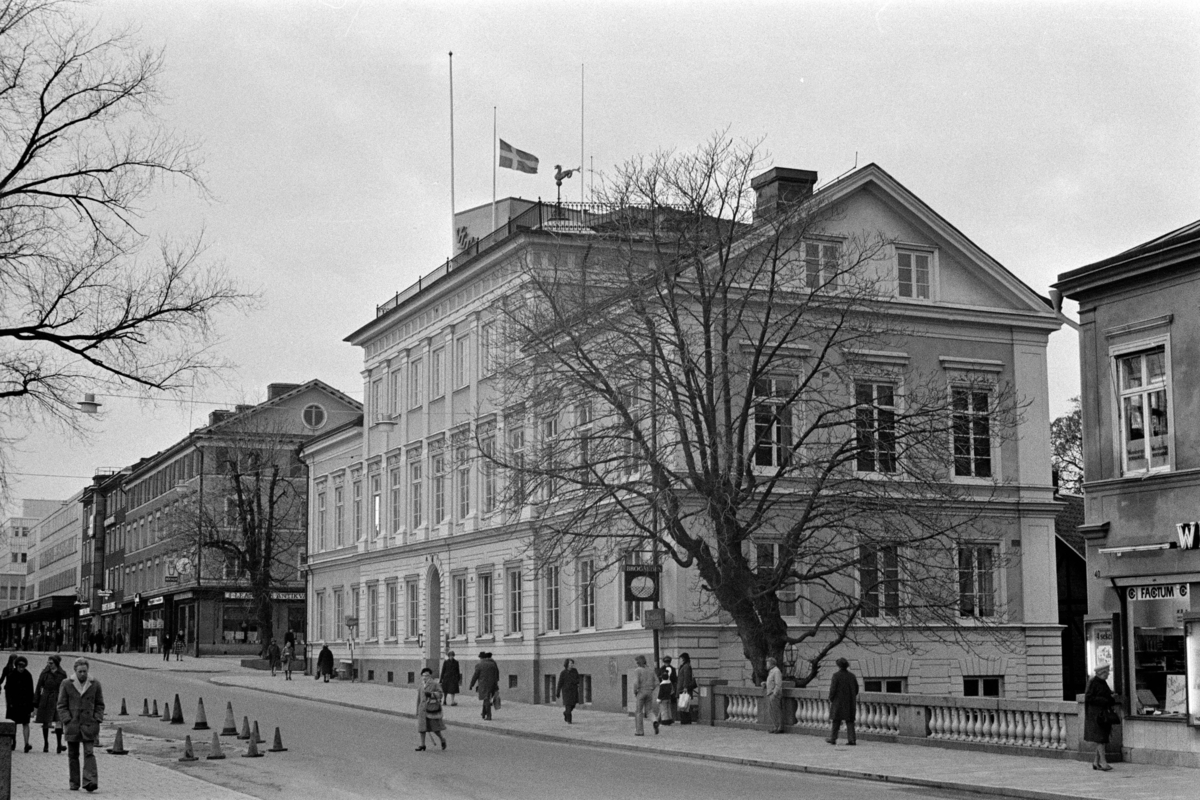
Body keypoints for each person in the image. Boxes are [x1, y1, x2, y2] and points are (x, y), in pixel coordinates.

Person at [57, 657, 104, 793]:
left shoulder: (94, 684)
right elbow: (61, 705)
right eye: (80, 671)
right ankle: (74, 782)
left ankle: (90, 781)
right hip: (73, 724)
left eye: (85, 671)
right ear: (75, 671)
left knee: (89, 752)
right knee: (73, 754)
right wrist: (67, 719)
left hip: (90, 725)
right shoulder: (66, 684)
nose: (83, 674)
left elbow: (100, 704)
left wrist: (97, 718)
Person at [1084, 664, 1118, 771]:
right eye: (1106, 672)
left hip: (1101, 714)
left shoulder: (1101, 682)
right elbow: (1089, 697)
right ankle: (1103, 763)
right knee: (1100, 739)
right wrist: (1106, 699)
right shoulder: (1094, 682)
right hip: (1097, 715)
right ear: (1101, 673)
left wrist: (1111, 697)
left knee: (1101, 738)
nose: (1108, 674)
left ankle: (1096, 762)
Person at [34, 654, 68, 753]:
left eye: (51, 663)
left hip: (58, 699)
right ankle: (46, 743)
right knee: (46, 721)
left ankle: (58, 744)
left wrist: (66, 701)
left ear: (56, 663)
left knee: (58, 721)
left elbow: (65, 688)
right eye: (48, 663)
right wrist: (36, 701)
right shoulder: (44, 673)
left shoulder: (62, 674)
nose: (49, 665)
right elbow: (38, 687)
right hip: (46, 698)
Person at [5, 655, 35, 751]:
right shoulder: (11, 675)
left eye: (23, 667)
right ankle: (13, 742)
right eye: (20, 667)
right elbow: (8, 691)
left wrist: (32, 705)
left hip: (25, 704)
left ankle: (26, 744)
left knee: (26, 723)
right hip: (13, 704)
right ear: (16, 666)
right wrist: (9, 703)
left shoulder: (28, 675)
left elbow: (31, 691)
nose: (22, 669)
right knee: (13, 724)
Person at [826, 657, 858, 745]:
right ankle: (852, 739)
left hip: (838, 701)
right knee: (850, 721)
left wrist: (831, 698)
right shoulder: (852, 676)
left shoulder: (836, 676)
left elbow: (833, 689)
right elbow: (856, 689)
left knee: (836, 721)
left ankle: (833, 738)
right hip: (849, 701)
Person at [415, 667, 447, 751]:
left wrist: (431, 694)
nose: (425, 677)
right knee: (422, 728)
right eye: (423, 675)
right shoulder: (421, 685)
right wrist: (417, 710)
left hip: (431, 709)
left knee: (434, 728)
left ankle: (442, 739)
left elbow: (440, 694)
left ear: (430, 676)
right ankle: (422, 745)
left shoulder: (435, 684)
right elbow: (419, 698)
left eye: (427, 675)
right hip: (422, 709)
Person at [632, 654, 659, 736]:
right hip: (649, 691)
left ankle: (639, 731)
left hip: (641, 691)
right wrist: (652, 688)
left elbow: (636, 682)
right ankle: (655, 721)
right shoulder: (651, 670)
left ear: (638, 662)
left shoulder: (638, 670)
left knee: (639, 712)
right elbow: (657, 682)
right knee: (649, 711)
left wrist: (635, 691)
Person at [468, 651, 499, 720]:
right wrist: (496, 684)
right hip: (492, 684)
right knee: (486, 698)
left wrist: (471, 684)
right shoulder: (493, 664)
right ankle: (483, 713)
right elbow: (496, 674)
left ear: (482, 658)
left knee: (486, 699)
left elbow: (475, 676)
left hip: (484, 685)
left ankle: (489, 715)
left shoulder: (479, 665)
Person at [764, 656, 785, 733]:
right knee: (772, 711)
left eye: (767, 663)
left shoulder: (776, 671)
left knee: (776, 711)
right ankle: (775, 726)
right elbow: (772, 682)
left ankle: (779, 727)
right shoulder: (772, 671)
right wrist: (765, 684)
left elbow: (778, 684)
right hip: (771, 693)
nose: (766, 665)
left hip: (774, 694)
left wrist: (774, 693)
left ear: (771, 664)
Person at [556, 658, 580, 723]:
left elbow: (578, 679)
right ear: (567, 664)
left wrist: (575, 681)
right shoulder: (563, 673)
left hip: (573, 691)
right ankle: (569, 721)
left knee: (573, 705)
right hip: (566, 692)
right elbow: (560, 683)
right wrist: (558, 692)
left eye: (572, 663)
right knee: (568, 706)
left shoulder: (575, 671)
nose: (572, 665)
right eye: (570, 663)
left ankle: (565, 713)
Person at [677, 652, 698, 724]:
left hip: (684, 689)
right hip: (682, 688)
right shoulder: (685, 666)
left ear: (683, 659)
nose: (679, 660)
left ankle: (686, 720)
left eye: (680, 659)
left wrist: (685, 687)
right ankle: (685, 720)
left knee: (684, 705)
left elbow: (686, 678)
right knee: (684, 705)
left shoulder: (686, 667)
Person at [657, 655, 678, 725]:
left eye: (668, 662)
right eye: (666, 662)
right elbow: (675, 679)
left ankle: (668, 718)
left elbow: (674, 679)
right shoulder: (670, 669)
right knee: (667, 704)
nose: (667, 663)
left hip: (668, 687)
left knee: (668, 704)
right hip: (669, 687)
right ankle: (664, 718)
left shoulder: (663, 669)